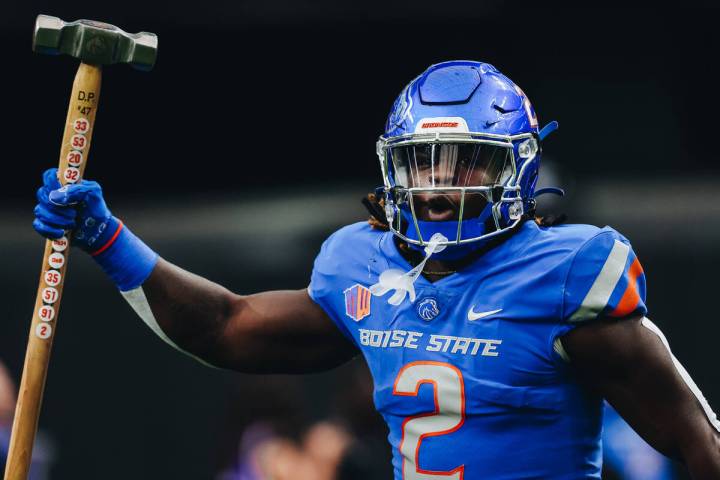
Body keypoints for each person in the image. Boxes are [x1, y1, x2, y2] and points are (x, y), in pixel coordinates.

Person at [32, 60, 720, 479]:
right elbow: (225, 326)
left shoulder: (565, 274)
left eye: (468, 164)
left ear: (519, 167)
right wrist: (108, 238)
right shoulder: (361, 265)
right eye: (424, 165)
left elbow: (702, 443)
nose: (441, 188)